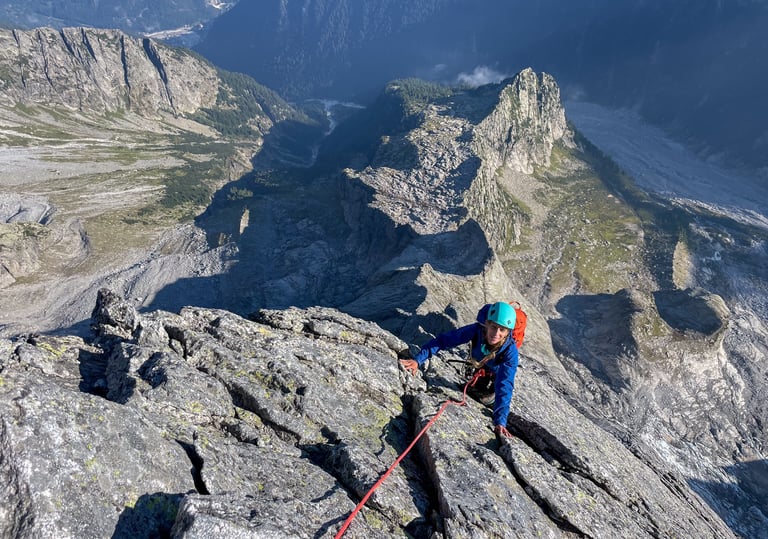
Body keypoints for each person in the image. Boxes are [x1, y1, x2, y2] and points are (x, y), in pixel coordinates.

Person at [400, 301, 519, 438]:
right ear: (486, 323)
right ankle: (482, 381)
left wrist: (500, 421)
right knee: (476, 388)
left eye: (502, 330)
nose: (496, 333)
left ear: (507, 333)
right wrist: (417, 360)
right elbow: (443, 341)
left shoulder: (510, 353)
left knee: (490, 394)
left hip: (497, 369)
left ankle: (491, 394)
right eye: (493, 327)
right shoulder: (476, 331)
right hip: (480, 361)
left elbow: (505, 384)